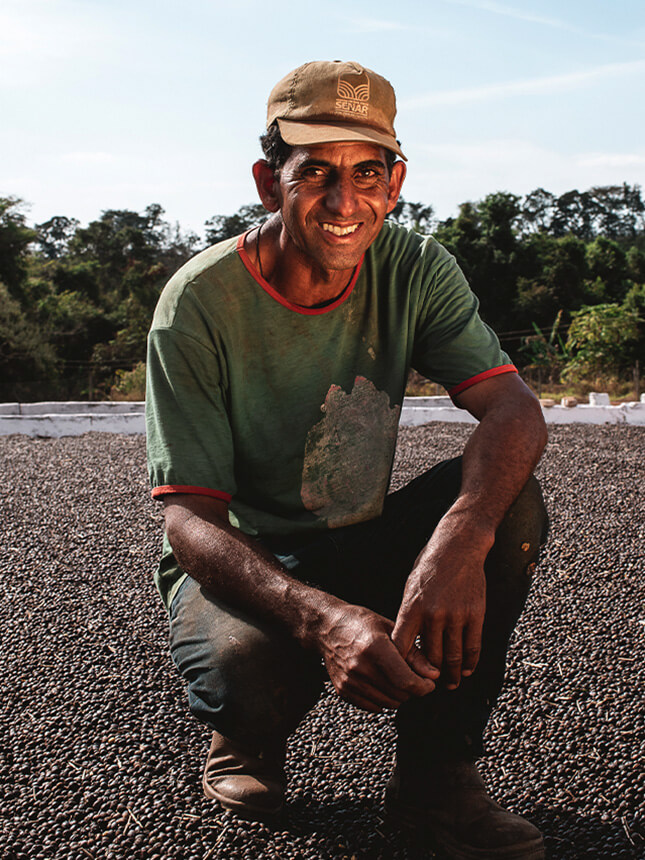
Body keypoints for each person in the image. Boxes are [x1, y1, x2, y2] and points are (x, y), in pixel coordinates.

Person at [145, 60, 549, 859]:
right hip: (246, 559)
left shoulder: (415, 266)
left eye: (367, 172)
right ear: (269, 182)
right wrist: (318, 619)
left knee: (511, 512)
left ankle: (435, 784)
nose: (344, 202)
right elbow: (189, 517)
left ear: (395, 183)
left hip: (354, 533)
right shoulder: (196, 305)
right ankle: (247, 742)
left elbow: (511, 408)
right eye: (315, 174)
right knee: (243, 678)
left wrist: (457, 541)